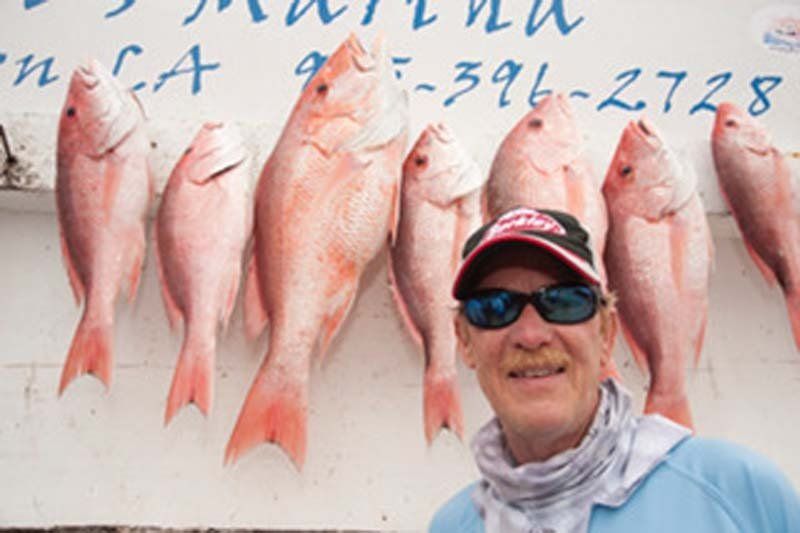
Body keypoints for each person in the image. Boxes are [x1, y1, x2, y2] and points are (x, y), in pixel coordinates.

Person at [429, 206, 800, 533]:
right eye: (494, 306)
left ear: (606, 332)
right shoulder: (451, 526)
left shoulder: (740, 492)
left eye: (564, 301)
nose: (530, 334)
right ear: (464, 341)